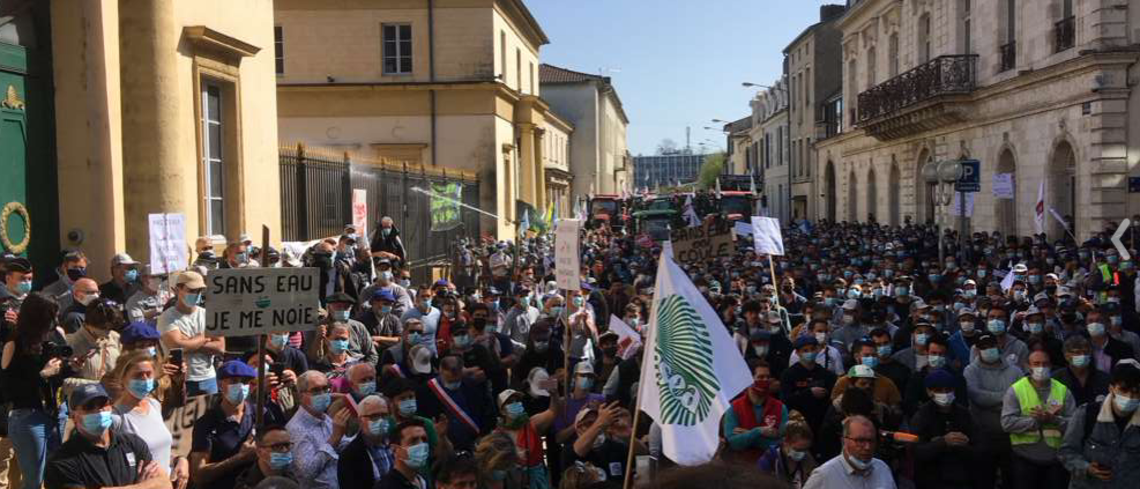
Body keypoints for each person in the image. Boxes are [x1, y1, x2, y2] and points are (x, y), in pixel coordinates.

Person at [43, 384, 170, 489]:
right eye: (89, 407)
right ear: (74, 416)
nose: (98, 410)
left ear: (110, 406)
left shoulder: (133, 443)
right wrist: (143, 486)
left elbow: (165, 484)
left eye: (102, 403)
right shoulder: (61, 461)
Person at [2, 292, 68, 489]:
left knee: (56, 475)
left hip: (57, 410)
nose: (53, 322)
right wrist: (43, 374)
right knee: (34, 479)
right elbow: (7, 389)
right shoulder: (15, 343)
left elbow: (62, 374)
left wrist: (70, 365)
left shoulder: (57, 334)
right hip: (28, 415)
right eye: (49, 317)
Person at [109, 350, 188, 489]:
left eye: (149, 374)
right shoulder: (115, 418)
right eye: (138, 375)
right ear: (123, 378)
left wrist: (179, 460)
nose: (145, 380)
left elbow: (158, 449)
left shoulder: (154, 405)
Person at [1058, 361, 1140, 489]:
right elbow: (1066, 451)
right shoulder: (1087, 414)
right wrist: (1086, 468)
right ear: (1111, 388)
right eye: (1123, 390)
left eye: (1135, 392)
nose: (1129, 396)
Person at [1001, 350, 1075, 489]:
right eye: (1036, 364)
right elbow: (1007, 423)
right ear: (1028, 366)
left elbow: (1074, 425)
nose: (1041, 368)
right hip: (1024, 458)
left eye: (1045, 364)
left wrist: (1054, 419)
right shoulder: (1015, 390)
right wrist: (1036, 421)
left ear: (1051, 366)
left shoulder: (1063, 390)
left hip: (1055, 460)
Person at [963, 333, 1024, 488]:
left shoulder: (1015, 371)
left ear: (998, 346)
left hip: (1011, 436)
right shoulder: (970, 371)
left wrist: (994, 402)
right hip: (983, 435)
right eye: (984, 347)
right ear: (977, 350)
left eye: (991, 346)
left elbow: (1021, 398)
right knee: (984, 480)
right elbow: (977, 397)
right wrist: (1007, 398)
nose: (988, 350)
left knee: (1013, 480)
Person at [189, 361, 261, 489]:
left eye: (244, 381)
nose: (240, 386)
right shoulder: (207, 423)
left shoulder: (260, 415)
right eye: (233, 381)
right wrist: (240, 458)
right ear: (220, 384)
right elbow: (198, 475)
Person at [910, 368, 985, 489]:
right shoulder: (921, 416)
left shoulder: (964, 414)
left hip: (961, 478)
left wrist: (963, 445)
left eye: (948, 389)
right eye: (939, 390)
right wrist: (943, 442)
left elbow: (980, 448)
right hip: (931, 479)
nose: (944, 393)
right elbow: (917, 451)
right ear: (929, 392)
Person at [159, 271, 224, 396]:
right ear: (178, 290)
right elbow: (176, 347)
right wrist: (205, 337)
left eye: (199, 291)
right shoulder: (167, 317)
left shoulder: (208, 314)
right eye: (192, 290)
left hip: (208, 378)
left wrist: (188, 341)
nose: (196, 294)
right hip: (181, 379)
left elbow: (220, 347)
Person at [286, 371, 353, 489]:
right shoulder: (296, 428)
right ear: (301, 395)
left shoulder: (325, 418)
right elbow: (307, 472)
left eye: (325, 389)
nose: (322, 394)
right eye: (316, 390)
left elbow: (342, 446)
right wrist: (334, 439)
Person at [420, 354, 495, 452]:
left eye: (457, 380)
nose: (454, 383)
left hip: (473, 444)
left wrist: (483, 434)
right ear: (440, 371)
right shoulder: (426, 391)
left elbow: (487, 411)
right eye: (449, 380)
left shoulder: (473, 385)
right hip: (443, 447)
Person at [803, 415, 895, 489]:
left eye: (871, 441)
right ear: (844, 441)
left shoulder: (882, 469)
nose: (867, 447)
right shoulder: (824, 475)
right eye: (860, 441)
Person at [723, 361, 788, 463]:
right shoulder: (734, 407)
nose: (765, 381)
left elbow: (784, 445)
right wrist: (758, 431)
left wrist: (748, 434)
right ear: (748, 379)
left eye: (767, 377)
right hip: (741, 467)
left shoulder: (780, 407)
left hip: (772, 467)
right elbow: (734, 443)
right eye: (761, 377)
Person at [561, 403, 646, 481]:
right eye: (590, 423)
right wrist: (600, 423)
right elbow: (577, 452)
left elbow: (643, 455)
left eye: (598, 421)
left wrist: (629, 438)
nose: (598, 427)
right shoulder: (569, 450)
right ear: (578, 427)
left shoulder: (616, 448)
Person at [64, 298, 123, 395]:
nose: (108, 333)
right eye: (104, 329)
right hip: (86, 402)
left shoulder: (115, 338)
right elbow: (64, 383)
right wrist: (98, 385)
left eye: (111, 328)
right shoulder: (71, 344)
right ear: (89, 324)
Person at [337, 395, 394, 489]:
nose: (380, 420)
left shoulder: (396, 443)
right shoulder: (350, 455)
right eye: (374, 417)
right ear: (360, 421)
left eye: (384, 415)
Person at [780, 336, 837, 428]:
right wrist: (809, 393)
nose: (810, 352)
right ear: (798, 353)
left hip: (822, 421)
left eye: (812, 349)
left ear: (817, 350)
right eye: (805, 350)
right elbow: (786, 399)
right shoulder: (788, 374)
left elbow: (833, 396)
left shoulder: (826, 374)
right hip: (799, 422)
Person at [1053, 336, 1111, 407]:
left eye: (1086, 352)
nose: (1082, 355)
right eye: (1077, 352)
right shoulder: (1056, 378)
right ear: (1066, 355)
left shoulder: (1104, 378)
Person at [758, 422, 817, 489]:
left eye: (806, 449)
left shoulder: (808, 459)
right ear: (785, 442)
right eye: (798, 449)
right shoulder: (769, 460)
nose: (802, 453)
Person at [377, 419, 430, 489]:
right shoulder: (386, 486)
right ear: (395, 449)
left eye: (424, 439)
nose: (421, 445)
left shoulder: (423, 481)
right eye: (413, 441)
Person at [401, 286, 442, 354]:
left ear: (432, 297)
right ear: (417, 298)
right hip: (414, 354)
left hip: (432, 354)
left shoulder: (437, 313)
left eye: (428, 296)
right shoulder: (408, 315)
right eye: (423, 296)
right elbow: (402, 334)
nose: (425, 299)